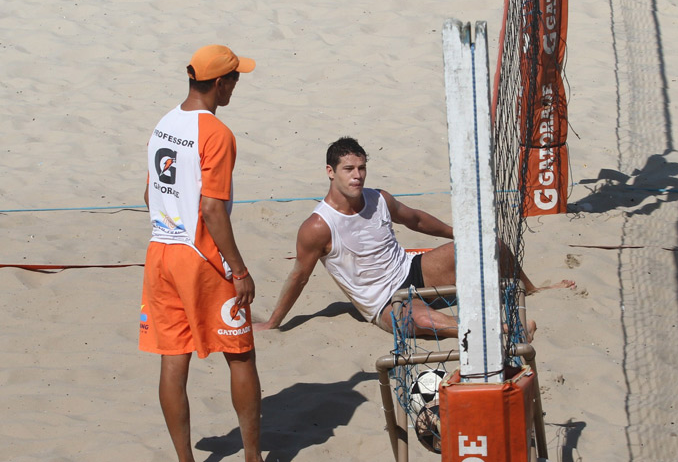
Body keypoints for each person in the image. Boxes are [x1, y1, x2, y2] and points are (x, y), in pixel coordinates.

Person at [254, 137, 575, 339]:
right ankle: (506, 333)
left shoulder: (378, 198)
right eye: (349, 168)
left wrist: (460, 233)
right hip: (383, 301)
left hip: (413, 271)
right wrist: (272, 322)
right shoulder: (317, 227)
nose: (357, 175)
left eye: (361, 168)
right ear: (330, 171)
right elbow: (299, 276)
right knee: (425, 319)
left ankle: (530, 290)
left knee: (488, 246)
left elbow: (417, 220)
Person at [138, 45, 263, 462]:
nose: (236, 87)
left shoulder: (164, 123)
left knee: (173, 361)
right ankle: (251, 456)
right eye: (235, 79)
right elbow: (211, 209)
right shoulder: (216, 133)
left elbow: (149, 192)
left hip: (160, 253)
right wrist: (240, 270)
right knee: (241, 354)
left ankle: (185, 460)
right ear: (220, 83)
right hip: (202, 257)